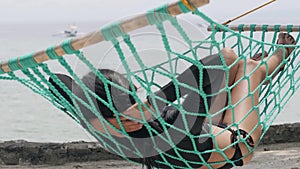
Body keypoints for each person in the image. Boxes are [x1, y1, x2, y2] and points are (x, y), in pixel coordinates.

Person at [49, 33, 296, 169]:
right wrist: (157, 100)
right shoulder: (171, 127)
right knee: (246, 66)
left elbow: (56, 80)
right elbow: (219, 60)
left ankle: (241, 86)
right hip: (236, 142)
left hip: (200, 135)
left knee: (228, 67)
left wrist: (99, 124)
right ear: (134, 91)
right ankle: (279, 56)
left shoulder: (96, 120)